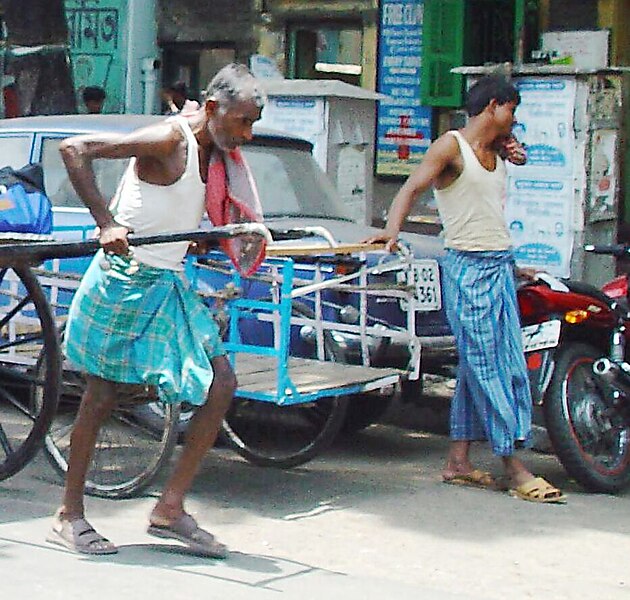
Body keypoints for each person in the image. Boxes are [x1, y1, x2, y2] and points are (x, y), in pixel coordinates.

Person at [47, 63, 266, 556]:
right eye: (241, 123)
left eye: (252, 124)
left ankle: (169, 508)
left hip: (167, 282)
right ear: (213, 109)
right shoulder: (170, 139)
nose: (246, 135)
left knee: (222, 382)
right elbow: (73, 150)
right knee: (101, 396)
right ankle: (68, 513)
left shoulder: (216, 152)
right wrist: (106, 223)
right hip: (124, 280)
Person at [368, 75, 566, 504]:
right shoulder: (450, 147)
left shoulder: (493, 150)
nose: (514, 119)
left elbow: (497, 194)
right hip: (467, 269)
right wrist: (391, 232)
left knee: (490, 365)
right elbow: (411, 187)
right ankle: (514, 465)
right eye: (511, 110)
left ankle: (458, 460)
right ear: (494, 106)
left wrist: (512, 265)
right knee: (494, 368)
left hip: (498, 266)